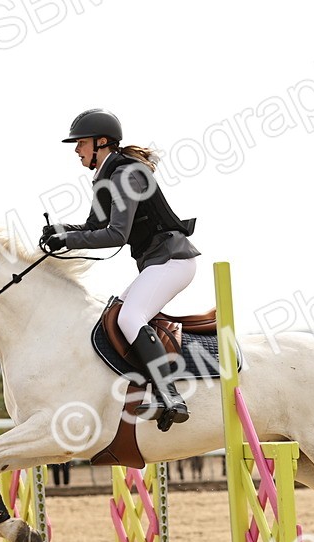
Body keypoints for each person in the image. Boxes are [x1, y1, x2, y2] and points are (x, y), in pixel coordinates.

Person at [40, 109, 200, 431]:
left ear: (101, 143)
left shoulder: (126, 175)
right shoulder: (105, 177)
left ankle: (170, 396)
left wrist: (68, 239)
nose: (76, 150)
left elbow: (116, 235)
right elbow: (93, 226)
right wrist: (61, 230)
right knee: (115, 314)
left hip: (173, 260)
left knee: (129, 317)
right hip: (157, 262)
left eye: (81, 143)